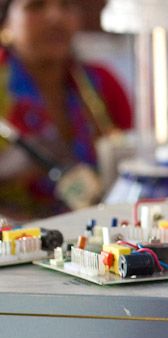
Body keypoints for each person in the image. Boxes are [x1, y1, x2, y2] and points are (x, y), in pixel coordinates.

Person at [0, 0, 131, 219]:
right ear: (5, 24)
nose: (55, 17)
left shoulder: (103, 85)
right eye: (36, 6)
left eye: (66, 5)